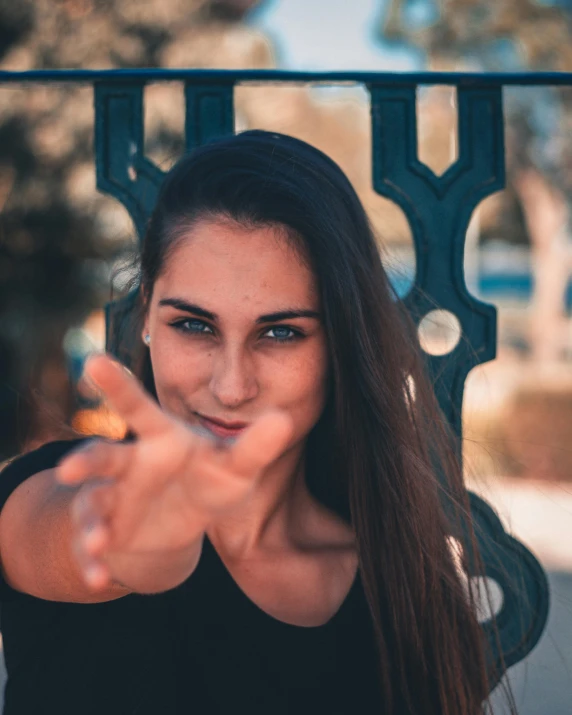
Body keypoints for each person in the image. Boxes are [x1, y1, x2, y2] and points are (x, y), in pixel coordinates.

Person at [0, 130, 499, 715]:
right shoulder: (52, 493)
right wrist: (148, 530)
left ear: (339, 345)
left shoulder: (398, 590)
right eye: (194, 324)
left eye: (281, 332)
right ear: (144, 319)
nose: (231, 386)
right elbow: (101, 547)